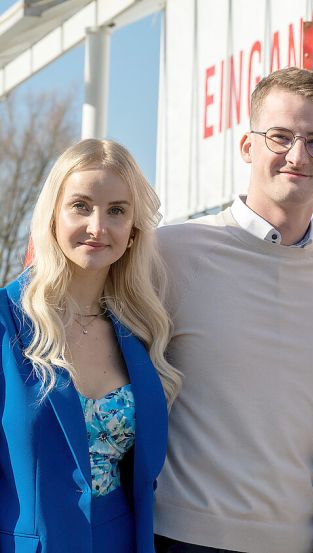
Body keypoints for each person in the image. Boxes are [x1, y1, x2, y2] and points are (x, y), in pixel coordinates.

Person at [152, 67, 313, 552]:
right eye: (280, 137)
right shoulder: (173, 251)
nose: (297, 156)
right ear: (247, 147)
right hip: (183, 535)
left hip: (296, 540)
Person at [0, 139, 179, 553]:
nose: (98, 226)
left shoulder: (142, 332)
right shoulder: (6, 320)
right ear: (52, 218)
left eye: (116, 210)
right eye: (81, 206)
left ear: (133, 230)